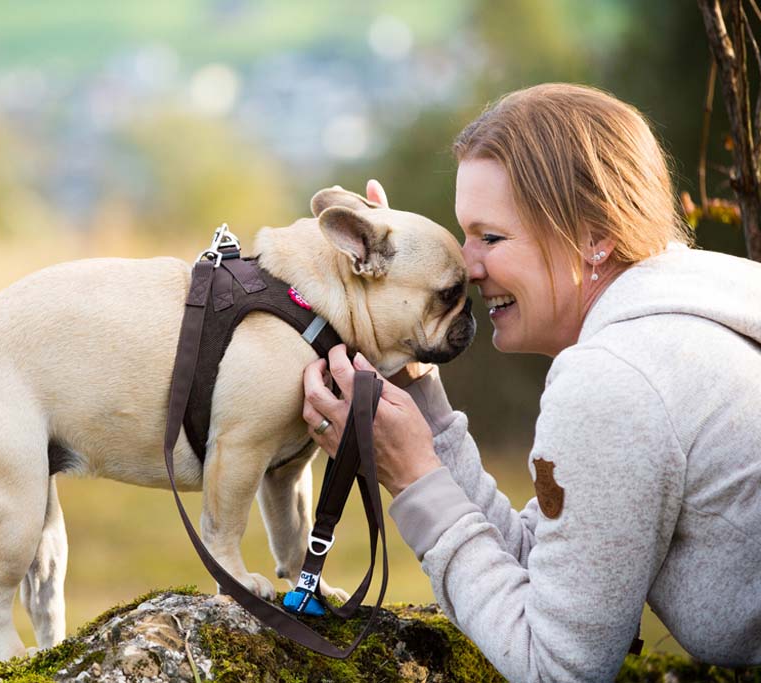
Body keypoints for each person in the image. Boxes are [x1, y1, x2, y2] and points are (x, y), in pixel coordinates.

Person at [301, 83, 761, 681]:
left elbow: (558, 667)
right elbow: (552, 567)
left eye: (490, 237)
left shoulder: (615, 380)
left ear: (595, 237)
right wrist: (425, 411)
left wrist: (412, 478)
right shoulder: (713, 292)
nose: (467, 265)